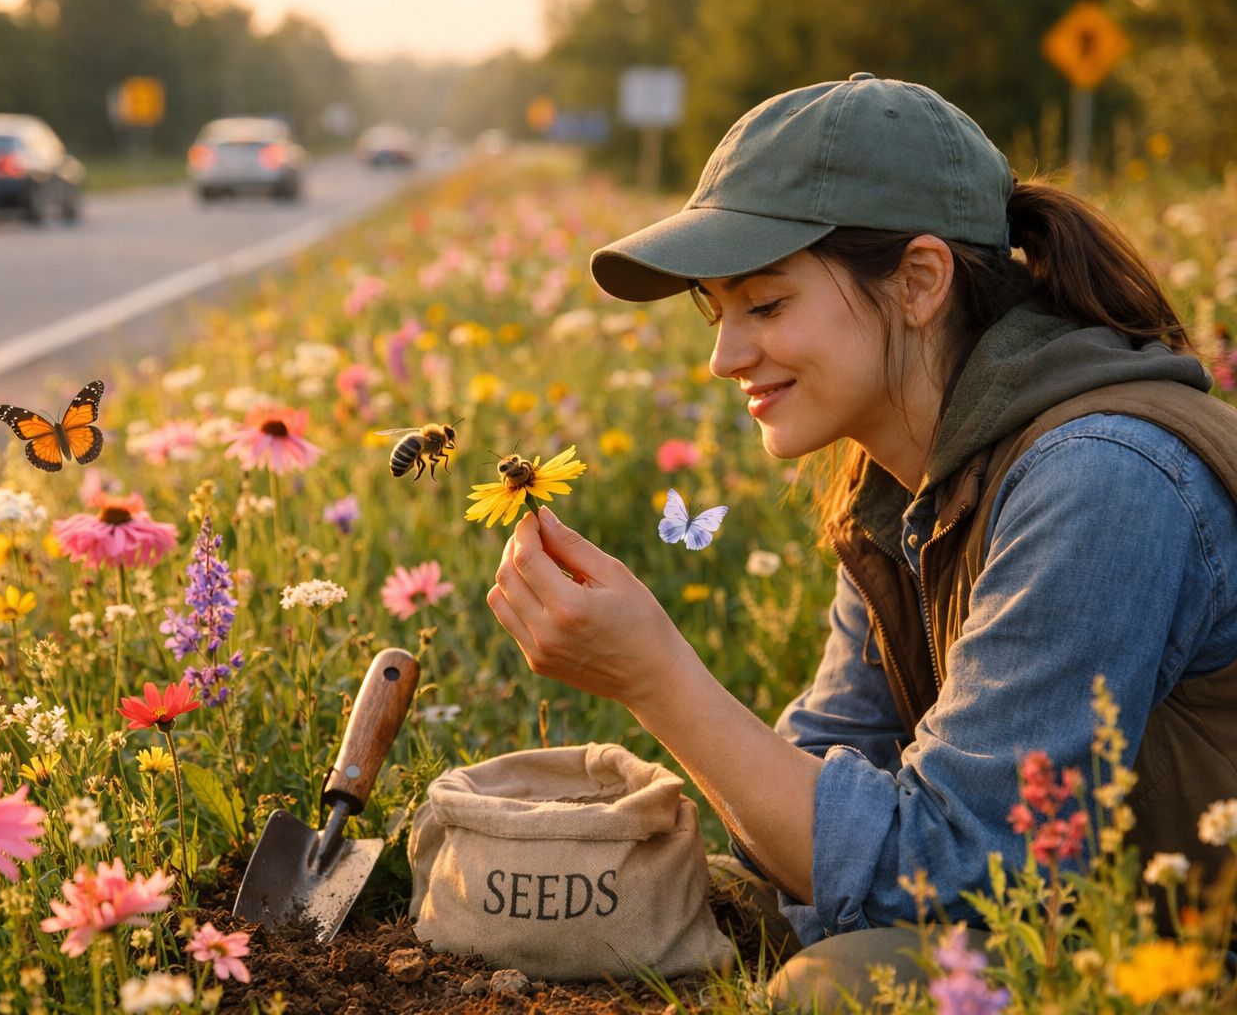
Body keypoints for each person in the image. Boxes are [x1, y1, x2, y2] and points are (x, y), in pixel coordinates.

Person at [484, 73, 1237, 1007]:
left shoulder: (1102, 479)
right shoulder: (898, 481)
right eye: (718, 314)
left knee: (840, 990)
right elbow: (837, 764)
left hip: (1188, 958)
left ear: (920, 282)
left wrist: (657, 679)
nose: (724, 358)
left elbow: (955, 870)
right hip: (1096, 925)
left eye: (765, 305)